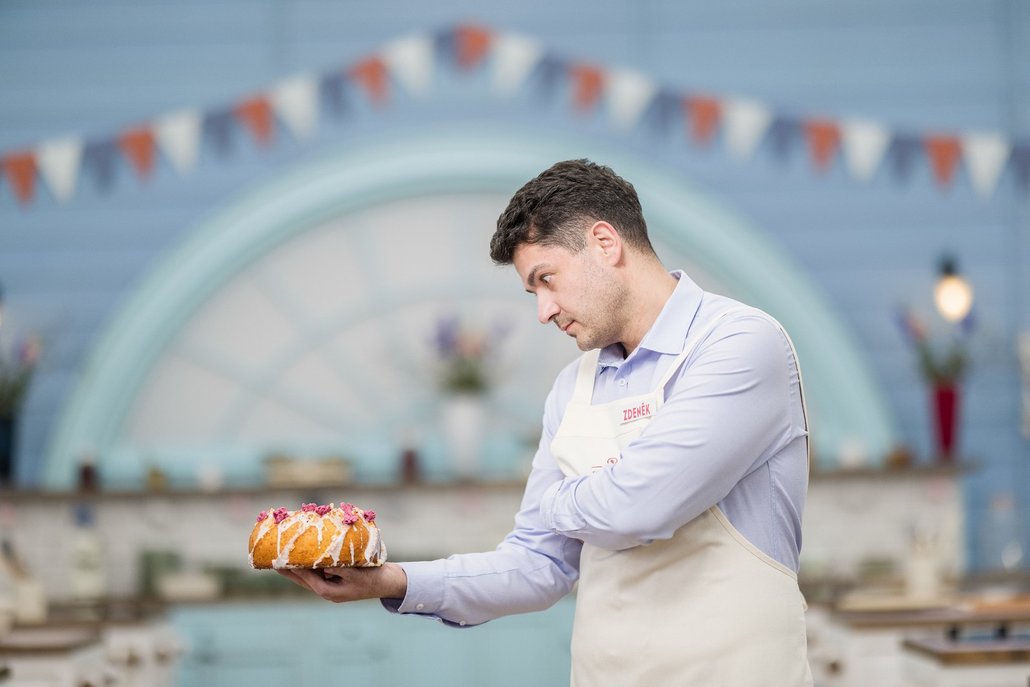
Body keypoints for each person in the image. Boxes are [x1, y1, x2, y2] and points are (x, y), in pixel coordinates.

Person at [280, 159, 813, 685]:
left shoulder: (738, 344)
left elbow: (638, 508)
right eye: (534, 292)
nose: (544, 310)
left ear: (606, 243)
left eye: (547, 280)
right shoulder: (571, 388)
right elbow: (539, 565)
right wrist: (389, 581)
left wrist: (559, 502)